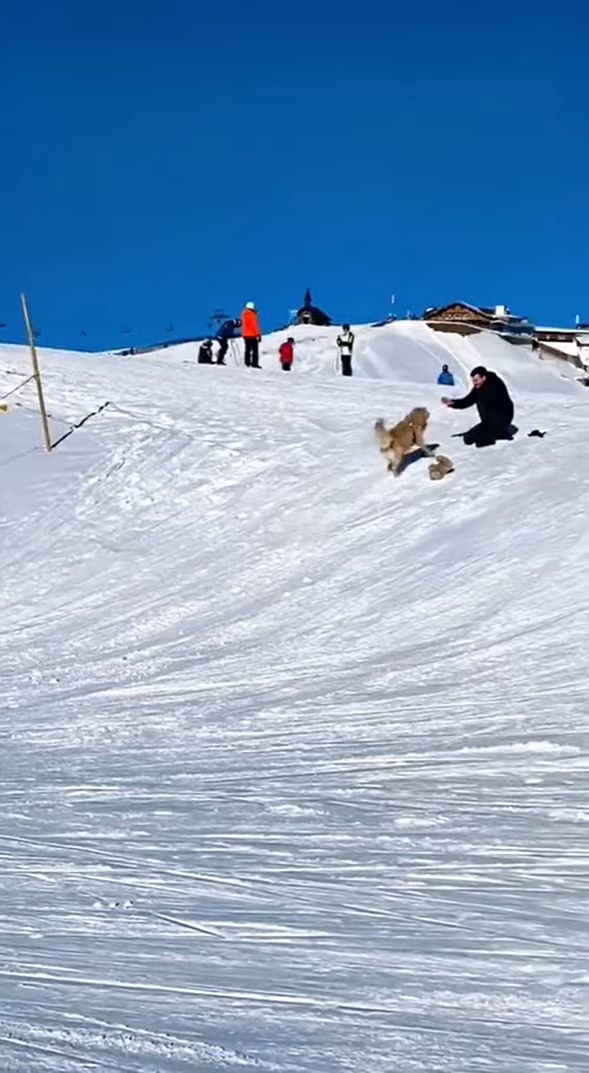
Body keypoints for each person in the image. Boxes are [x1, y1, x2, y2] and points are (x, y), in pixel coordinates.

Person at [442, 366, 516, 447]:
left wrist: (491, 428)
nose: (475, 383)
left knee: (476, 439)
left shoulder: (495, 385)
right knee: (470, 439)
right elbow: (468, 400)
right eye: (473, 381)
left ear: (484, 377)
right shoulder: (480, 387)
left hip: (499, 420)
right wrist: (452, 403)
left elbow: (504, 408)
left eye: (476, 380)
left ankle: (503, 433)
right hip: (488, 422)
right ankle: (499, 432)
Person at [241, 302, 262, 368]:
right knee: (255, 350)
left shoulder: (243, 314)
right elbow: (255, 325)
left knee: (247, 349)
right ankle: (254, 363)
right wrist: (258, 334)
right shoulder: (252, 315)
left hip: (245, 334)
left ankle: (247, 363)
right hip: (252, 334)